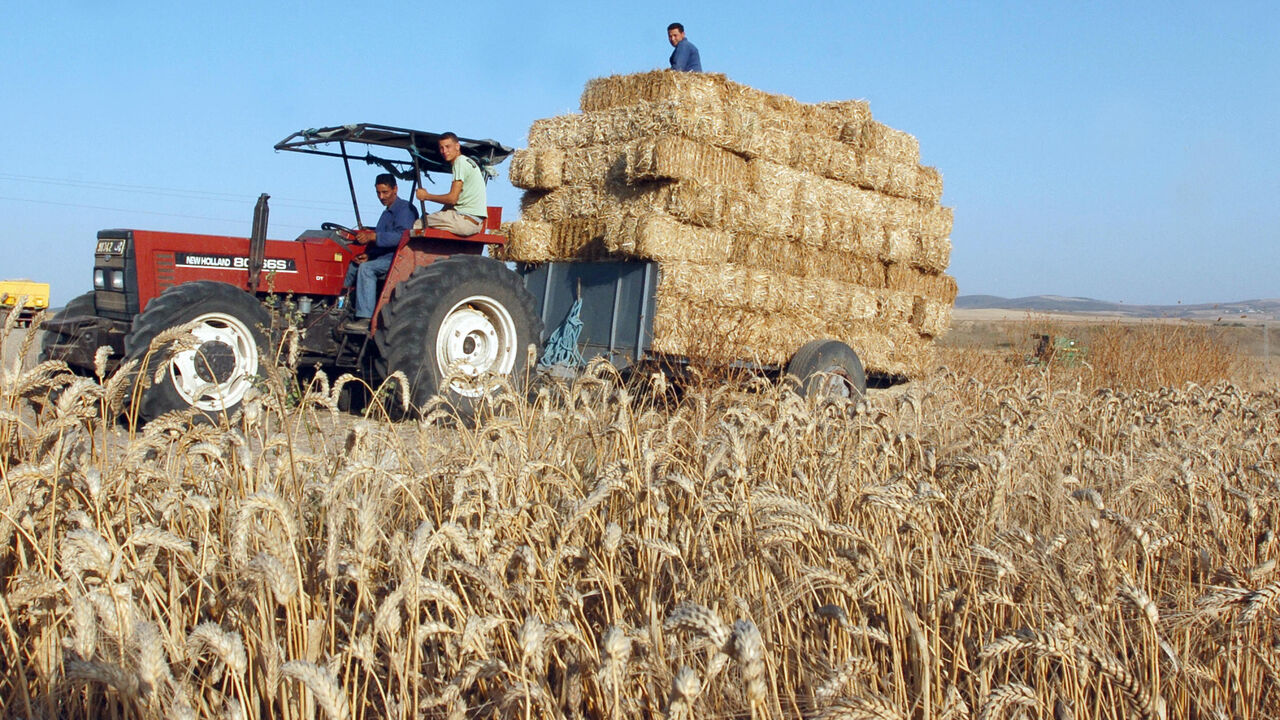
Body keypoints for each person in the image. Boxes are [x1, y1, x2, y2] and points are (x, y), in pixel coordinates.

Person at [342, 173, 418, 332]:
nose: (381, 197)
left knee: (367, 269)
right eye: (378, 193)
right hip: (383, 256)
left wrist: (373, 236)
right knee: (354, 265)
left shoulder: (405, 210)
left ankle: (365, 317)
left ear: (395, 189)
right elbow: (381, 240)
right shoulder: (386, 213)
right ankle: (341, 305)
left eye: (385, 192)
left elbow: (401, 237)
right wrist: (369, 255)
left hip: (398, 258)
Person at [415, 132, 488, 237]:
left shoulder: (459, 162)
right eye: (441, 148)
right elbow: (454, 201)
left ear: (457, 146)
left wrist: (426, 196)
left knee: (418, 223)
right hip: (473, 222)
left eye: (448, 147)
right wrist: (440, 213)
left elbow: (452, 199)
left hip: (463, 221)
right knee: (429, 218)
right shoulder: (467, 161)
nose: (444, 151)